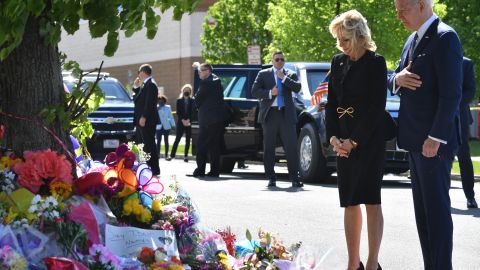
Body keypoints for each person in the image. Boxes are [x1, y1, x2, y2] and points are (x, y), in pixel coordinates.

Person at [389, 0, 463, 269]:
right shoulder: (411, 40)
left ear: (421, 5)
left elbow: (451, 94)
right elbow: (394, 76)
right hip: (414, 142)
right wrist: (397, 79)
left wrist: (436, 137)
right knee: (423, 217)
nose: (398, 16)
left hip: (433, 144)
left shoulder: (445, 37)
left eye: (402, 10)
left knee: (437, 215)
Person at [326, 10, 386, 270]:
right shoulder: (337, 61)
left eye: (345, 39)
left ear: (359, 36)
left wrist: (354, 141)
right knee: (349, 200)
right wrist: (334, 138)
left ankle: (372, 263)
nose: (341, 45)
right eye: (338, 39)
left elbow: (376, 108)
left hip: (369, 139)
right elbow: (331, 104)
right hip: (342, 141)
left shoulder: (376, 63)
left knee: (371, 200)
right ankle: (354, 264)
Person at [251, 51, 303, 188]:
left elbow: (297, 87)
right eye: (277, 59)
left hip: (286, 115)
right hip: (270, 115)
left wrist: (284, 78)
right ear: (272, 61)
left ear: (284, 61)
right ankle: (271, 177)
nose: (279, 61)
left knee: (291, 147)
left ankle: (295, 178)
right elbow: (254, 91)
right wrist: (269, 93)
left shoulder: (290, 74)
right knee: (269, 148)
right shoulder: (264, 74)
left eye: (282, 59)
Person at [192, 63, 227, 178]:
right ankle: (214, 171)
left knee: (201, 145)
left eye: (200, 71)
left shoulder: (206, 82)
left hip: (207, 119)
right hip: (217, 119)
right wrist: (198, 65)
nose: (199, 73)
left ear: (207, 71)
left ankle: (200, 170)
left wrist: (196, 100)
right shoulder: (216, 80)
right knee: (214, 146)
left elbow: (198, 99)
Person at [457, 57, 478, 208]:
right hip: (435, 118)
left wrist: (451, 103)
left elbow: (470, 90)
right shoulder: (435, 59)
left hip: (460, 118)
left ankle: (470, 196)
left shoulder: (466, 63)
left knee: (464, 157)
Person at [133, 64, 160, 175]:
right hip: (141, 120)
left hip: (147, 120)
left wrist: (144, 116)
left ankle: (153, 168)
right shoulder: (145, 85)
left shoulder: (151, 85)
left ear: (143, 72)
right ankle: (147, 166)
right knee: (143, 144)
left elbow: (149, 103)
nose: (138, 74)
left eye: (139, 72)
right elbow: (138, 100)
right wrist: (136, 87)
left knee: (149, 144)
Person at [170, 84, 194, 163]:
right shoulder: (179, 100)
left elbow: (193, 112)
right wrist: (183, 120)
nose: (186, 91)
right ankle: (172, 155)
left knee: (188, 140)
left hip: (189, 123)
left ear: (190, 92)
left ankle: (186, 156)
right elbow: (178, 112)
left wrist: (188, 120)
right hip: (181, 122)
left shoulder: (192, 100)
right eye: (185, 90)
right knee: (177, 139)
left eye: (188, 90)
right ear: (182, 91)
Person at [156, 95, 175, 161]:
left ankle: (166, 155)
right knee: (158, 141)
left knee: (166, 141)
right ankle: (157, 154)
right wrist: (157, 109)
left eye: (162, 101)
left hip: (166, 126)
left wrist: (173, 125)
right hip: (158, 127)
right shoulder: (156, 107)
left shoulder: (168, 107)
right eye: (159, 101)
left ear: (164, 101)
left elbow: (170, 117)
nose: (160, 102)